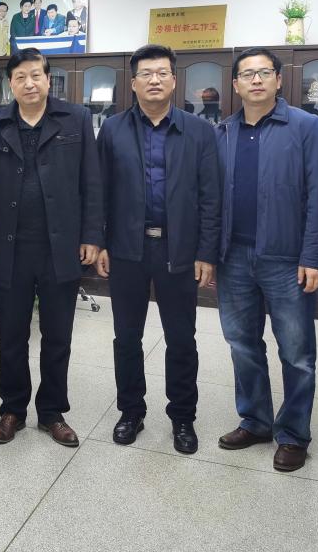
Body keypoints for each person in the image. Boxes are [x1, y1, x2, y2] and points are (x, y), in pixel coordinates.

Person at [215, 47, 318, 472]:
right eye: (247, 74)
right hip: (233, 257)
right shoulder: (223, 132)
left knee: (297, 352)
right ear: (235, 85)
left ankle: (293, 434)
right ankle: (255, 421)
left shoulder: (307, 127)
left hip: (288, 259)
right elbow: (210, 198)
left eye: (264, 72)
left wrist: (314, 256)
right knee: (242, 344)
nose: (256, 80)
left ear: (279, 80)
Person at [96, 44, 221, 455]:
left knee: (181, 338)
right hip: (126, 248)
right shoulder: (113, 130)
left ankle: (182, 417)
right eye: (146, 74)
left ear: (173, 80)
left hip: (178, 249)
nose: (154, 80)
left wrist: (206, 252)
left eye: (162, 73)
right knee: (126, 337)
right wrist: (100, 242)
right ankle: (131, 411)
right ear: (133, 83)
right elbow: (99, 192)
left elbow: (211, 197)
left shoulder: (199, 131)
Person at [0, 49, 103, 447]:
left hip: (59, 247)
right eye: (20, 77)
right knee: (12, 335)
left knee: (57, 335)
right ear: (10, 85)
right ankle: (12, 409)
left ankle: (52, 412)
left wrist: (92, 236)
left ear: (49, 80)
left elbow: (92, 182)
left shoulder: (76, 119)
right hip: (9, 248)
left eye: (36, 75)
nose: (29, 83)